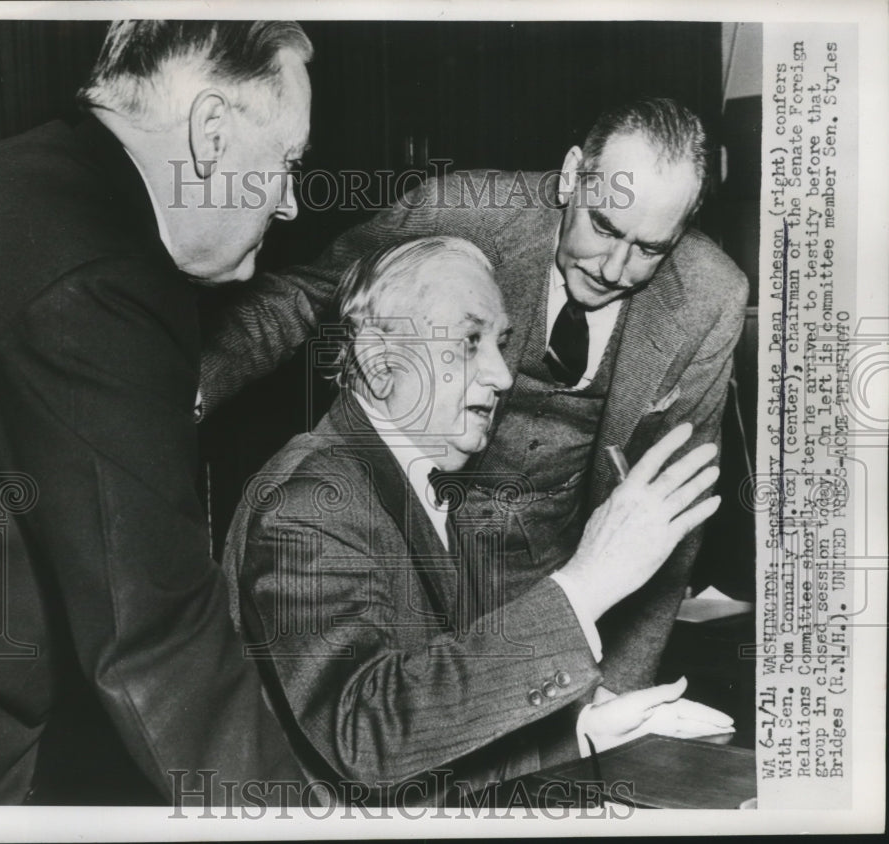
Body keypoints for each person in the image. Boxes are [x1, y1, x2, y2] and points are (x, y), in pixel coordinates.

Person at [204, 97, 749, 707]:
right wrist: (185, 391)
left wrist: (616, 692)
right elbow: (310, 294)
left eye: (650, 249)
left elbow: (670, 512)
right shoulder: (463, 211)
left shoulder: (710, 296)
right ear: (571, 175)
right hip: (415, 556)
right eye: (603, 226)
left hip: (564, 576)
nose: (616, 267)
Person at [0, 20, 329, 805]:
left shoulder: (10, 179)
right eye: (287, 164)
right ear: (211, 133)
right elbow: (157, 641)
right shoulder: (100, 274)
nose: (293, 204)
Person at [225, 236, 730, 802]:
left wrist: (584, 732)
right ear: (379, 359)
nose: (502, 374)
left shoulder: (412, 484)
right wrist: (586, 585)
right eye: (469, 341)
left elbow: (431, 735)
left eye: (502, 342)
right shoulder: (311, 501)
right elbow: (366, 737)